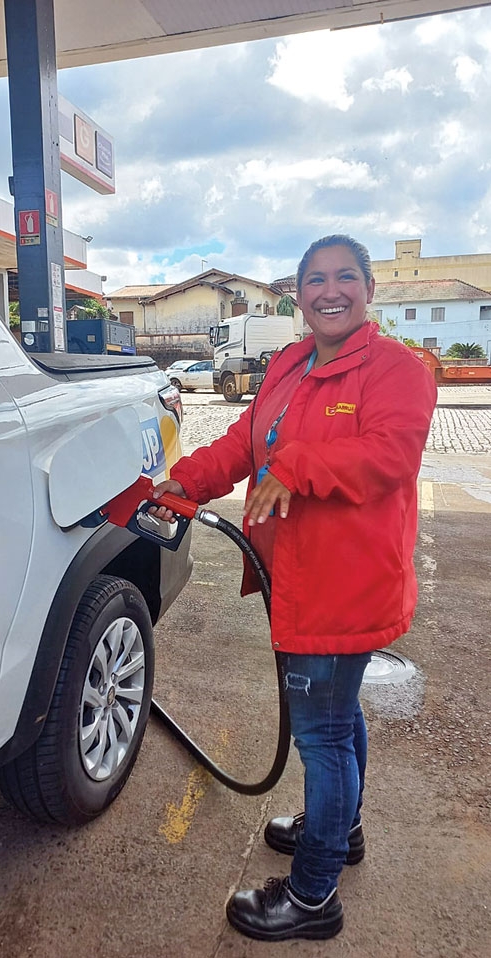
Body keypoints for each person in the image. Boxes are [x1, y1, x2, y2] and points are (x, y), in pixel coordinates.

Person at [151, 234, 437, 943]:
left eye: (345, 277)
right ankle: (343, 829)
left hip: (346, 584)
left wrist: (298, 464)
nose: (329, 291)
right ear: (299, 296)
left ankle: (313, 896)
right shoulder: (289, 361)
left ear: (369, 288)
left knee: (322, 734)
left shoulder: (397, 369)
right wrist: (187, 480)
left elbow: (391, 456)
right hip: (298, 576)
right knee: (338, 717)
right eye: (315, 280)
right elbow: (246, 440)